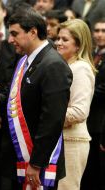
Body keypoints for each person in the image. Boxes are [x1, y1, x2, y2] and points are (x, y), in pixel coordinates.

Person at [0, 8, 72, 190]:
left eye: (14, 34)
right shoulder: (24, 60)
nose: (10, 40)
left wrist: (36, 164)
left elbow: (52, 120)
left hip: (38, 164)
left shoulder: (53, 64)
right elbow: (15, 97)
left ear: (32, 32)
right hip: (19, 159)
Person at [55, 19, 95, 190]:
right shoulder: (66, 66)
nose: (58, 43)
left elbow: (79, 112)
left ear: (78, 45)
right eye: (58, 38)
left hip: (72, 141)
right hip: (61, 140)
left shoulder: (81, 68)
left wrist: (49, 119)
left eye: (64, 40)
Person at [81, 18, 105, 190]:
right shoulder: (89, 54)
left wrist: (82, 94)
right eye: (96, 31)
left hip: (100, 122)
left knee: (98, 171)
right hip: (84, 121)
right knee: (86, 172)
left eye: (104, 31)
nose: (99, 35)